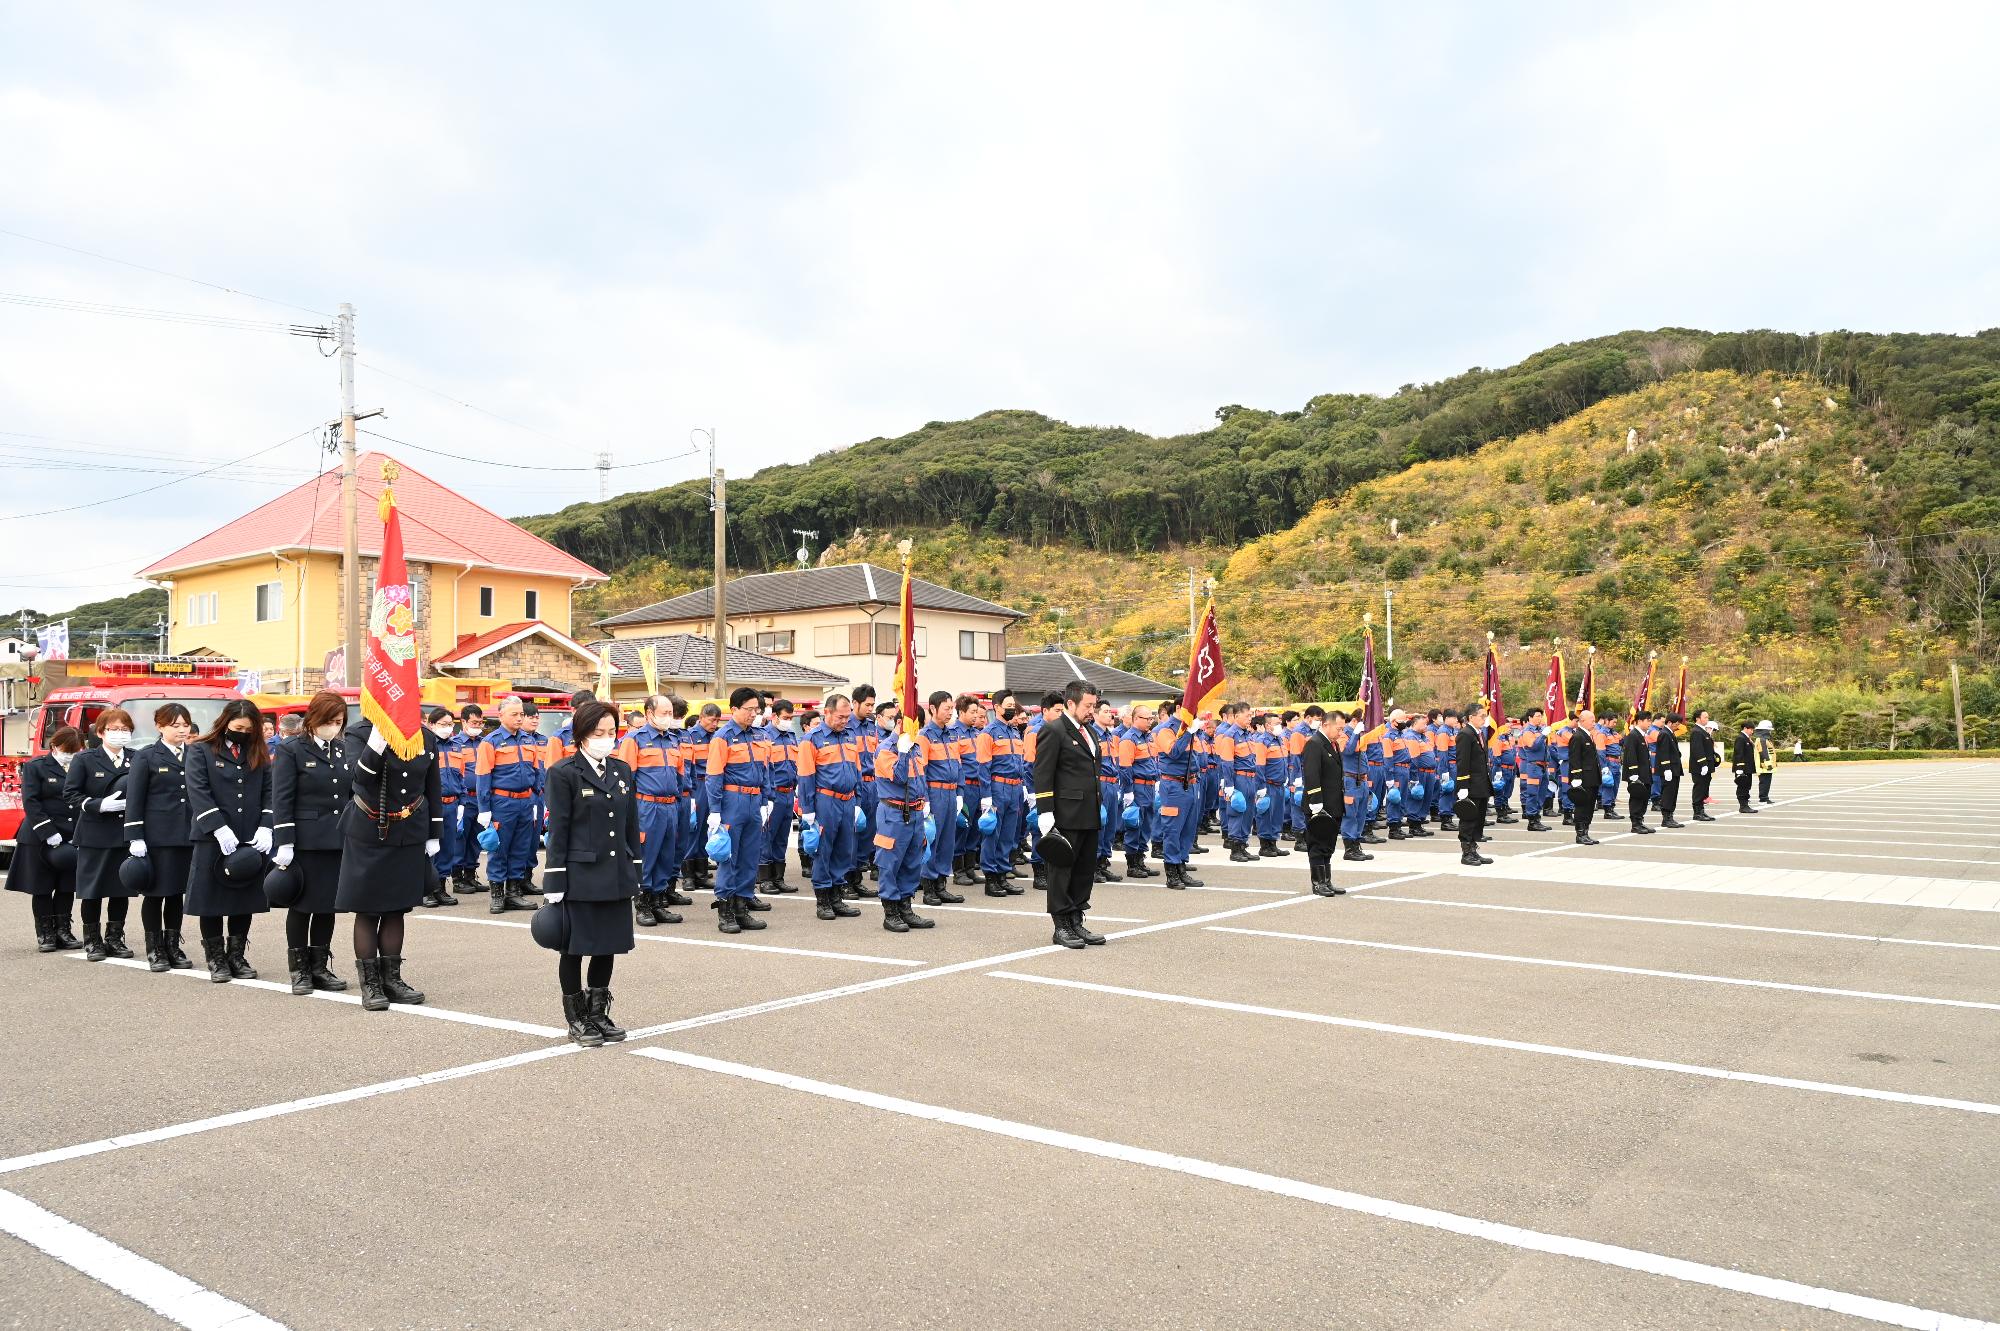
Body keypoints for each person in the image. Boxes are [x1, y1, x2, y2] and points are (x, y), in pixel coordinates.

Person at [543, 699, 640, 1046]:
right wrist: (554, 878)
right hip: (580, 874)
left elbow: (630, 824)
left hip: (615, 872)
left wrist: (636, 868)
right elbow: (559, 830)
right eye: (598, 732)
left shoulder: (622, 770)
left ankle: (598, 1013)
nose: (606, 738)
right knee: (574, 948)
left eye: (611, 732)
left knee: (607, 946)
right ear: (582, 734)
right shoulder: (563, 773)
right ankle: (577, 1019)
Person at [337, 712, 442, 1011]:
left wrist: (434, 831)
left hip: (408, 830)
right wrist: (377, 742)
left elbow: (431, 785)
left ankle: (392, 979)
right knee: (369, 908)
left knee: (398, 907)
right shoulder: (360, 733)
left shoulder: (424, 735)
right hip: (370, 830)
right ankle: (370, 984)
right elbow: (360, 777)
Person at [271, 691, 353, 994]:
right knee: (303, 905)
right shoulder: (292, 749)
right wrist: (285, 841)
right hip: (305, 840)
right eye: (330, 721)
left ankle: (320, 966)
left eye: (339, 722)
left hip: (337, 840)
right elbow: (282, 798)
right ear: (314, 719)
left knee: (327, 906)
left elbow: (347, 794)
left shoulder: (342, 749)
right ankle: (300, 969)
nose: (334, 727)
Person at [185, 700, 273, 981]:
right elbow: (198, 791)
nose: (242, 733)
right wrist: (218, 827)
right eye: (238, 728)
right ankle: (216, 958)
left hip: (249, 835)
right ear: (225, 723)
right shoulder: (201, 749)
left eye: (248, 729)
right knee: (210, 899)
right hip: (214, 836)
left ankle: (236, 955)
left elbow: (269, 791)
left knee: (242, 898)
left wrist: (267, 826)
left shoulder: (258, 751)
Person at [1033, 679, 1106, 949]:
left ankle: (1076, 919)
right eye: (1088, 705)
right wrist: (1045, 812)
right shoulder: (1054, 730)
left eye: (1094, 705)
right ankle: (1061, 925)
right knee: (1061, 870)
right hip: (1065, 813)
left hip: (1088, 811)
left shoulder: (1089, 732)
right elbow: (1042, 773)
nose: (1092, 710)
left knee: (1084, 869)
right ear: (1071, 703)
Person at [123, 703, 196, 972]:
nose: (181, 730)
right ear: (160, 727)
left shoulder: (196, 753)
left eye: (185, 725)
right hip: (156, 836)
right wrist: (135, 835)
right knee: (155, 894)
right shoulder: (147, 756)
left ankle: (173, 945)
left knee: (177, 894)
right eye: (174, 725)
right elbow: (135, 798)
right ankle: (155, 949)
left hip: (188, 834)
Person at [67, 709, 140, 962]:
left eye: (125, 729)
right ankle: (93, 940)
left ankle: (114, 938)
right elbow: (71, 793)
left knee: (121, 887)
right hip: (94, 833)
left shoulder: (137, 758)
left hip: (125, 833)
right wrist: (98, 804)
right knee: (93, 889)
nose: (120, 734)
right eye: (114, 729)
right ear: (100, 732)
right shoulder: (85, 759)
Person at [614, 693, 689, 929]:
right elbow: (625, 779)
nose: (668, 717)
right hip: (646, 806)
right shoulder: (634, 740)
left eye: (670, 713)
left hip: (670, 805)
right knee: (647, 856)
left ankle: (658, 901)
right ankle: (643, 904)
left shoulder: (673, 740)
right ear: (649, 714)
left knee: (667, 856)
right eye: (664, 713)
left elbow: (680, 775)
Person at [7, 725, 83, 952]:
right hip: (40, 836)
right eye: (66, 749)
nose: (70, 754)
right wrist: (48, 831)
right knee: (42, 886)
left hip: (70, 835)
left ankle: (63, 931)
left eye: (74, 750)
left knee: (66, 885)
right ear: (54, 746)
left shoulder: (80, 766)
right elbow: (31, 801)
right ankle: (45, 934)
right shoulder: (36, 767)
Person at [706, 686, 773, 934]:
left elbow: (765, 771)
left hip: (754, 801)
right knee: (729, 857)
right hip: (732, 801)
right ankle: (725, 911)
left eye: (757, 709)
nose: (754, 714)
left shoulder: (759, 735)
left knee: (749, 857)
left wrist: (767, 800)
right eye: (749, 709)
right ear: (734, 709)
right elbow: (714, 776)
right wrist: (715, 810)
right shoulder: (722, 737)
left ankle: (742, 907)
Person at [795, 693, 864, 920]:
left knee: (844, 850)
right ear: (827, 712)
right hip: (825, 801)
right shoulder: (811, 739)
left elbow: (857, 771)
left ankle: (837, 897)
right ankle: (823, 900)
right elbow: (805, 775)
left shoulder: (850, 736)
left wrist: (858, 802)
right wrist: (807, 810)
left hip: (848, 800)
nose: (845, 721)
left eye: (847, 717)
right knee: (823, 851)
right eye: (840, 717)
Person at [870, 704, 936, 933]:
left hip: (915, 812)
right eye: (915, 725)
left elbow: (920, 779)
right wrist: (904, 751)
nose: (919, 729)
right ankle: (891, 912)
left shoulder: (916, 747)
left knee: (911, 862)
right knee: (890, 863)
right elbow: (898, 777)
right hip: (894, 814)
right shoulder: (887, 749)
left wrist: (926, 803)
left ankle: (906, 908)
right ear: (901, 724)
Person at [475, 698, 541, 913]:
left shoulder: (528, 740)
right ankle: (497, 894)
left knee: (521, 848)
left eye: (521, 714)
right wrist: (484, 809)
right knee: (499, 849)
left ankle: (514, 893)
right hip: (502, 802)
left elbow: (536, 771)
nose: (520, 718)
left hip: (526, 800)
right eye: (514, 714)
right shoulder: (490, 742)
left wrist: (537, 797)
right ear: (501, 716)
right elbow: (483, 776)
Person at [973, 692, 1028, 896]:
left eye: (1013, 705)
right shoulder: (988, 733)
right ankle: (991, 878)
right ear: (997, 707)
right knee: (992, 833)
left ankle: (1003, 875)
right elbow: (983, 767)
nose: (1012, 709)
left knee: (1008, 834)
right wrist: (986, 796)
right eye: (1008, 705)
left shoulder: (1014, 732)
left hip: (1015, 787)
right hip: (997, 787)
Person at [917, 691, 967, 907]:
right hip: (935, 792)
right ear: (933, 709)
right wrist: (925, 799)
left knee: (948, 839)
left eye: (952, 708)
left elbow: (959, 765)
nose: (950, 712)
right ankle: (929, 888)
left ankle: (941, 885)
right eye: (946, 708)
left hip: (951, 792)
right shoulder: (924, 736)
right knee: (933, 839)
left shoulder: (953, 734)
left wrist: (960, 793)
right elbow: (921, 770)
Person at [1149, 701, 1205, 890]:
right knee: (1173, 830)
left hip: (1191, 783)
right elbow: (1173, 752)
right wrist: (1188, 733)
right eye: (1192, 710)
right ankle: (1171, 872)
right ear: (1180, 708)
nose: (1194, 714)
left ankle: (1181, 867)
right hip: (1174, 785)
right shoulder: (1166, 729)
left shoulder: (1191, 728)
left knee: (1188, 829)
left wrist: (1192, 731)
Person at [1299, 709, 1348, 897]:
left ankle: (1326, 881)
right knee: (1317, 844)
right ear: (1326, 724)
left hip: (1333, 803)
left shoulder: (1331, 744)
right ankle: (1318, 883)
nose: (1341, 732)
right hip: (1319, 804)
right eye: (1339, 728)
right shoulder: (1314, 744)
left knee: (1328, 844)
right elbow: (1312, 775)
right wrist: (1316, 802)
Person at [758, 699, 801, 894]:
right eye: (785, 717)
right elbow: (763, 768)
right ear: (774, 716)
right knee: (767, 836)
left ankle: (778, 877)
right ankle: (765, 878)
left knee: (782, 837)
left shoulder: (791, 736)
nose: (788, 721)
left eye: (791, 718)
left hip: (788, 793)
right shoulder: (763, 736)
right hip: (772, 794)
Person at [1115, 703, 1161, 878]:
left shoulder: (1148, 737)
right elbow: (1125, 768)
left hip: (1149, 786)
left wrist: (1157, 781)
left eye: (1151, 718)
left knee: (1147, 824)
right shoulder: (1128, 739)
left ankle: (1141, 860)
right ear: (1135, 719)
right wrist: (1128, 791)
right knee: (1135, 824)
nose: (1150, 721)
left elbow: (1154, 761)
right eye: (1147, 718)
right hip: (1137, 787)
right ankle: (1132, 864)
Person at [949, 695, 985, 888]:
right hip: (966, 786)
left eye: (976, 712)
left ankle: (970, 867)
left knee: (976, 828)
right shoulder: (954, 733)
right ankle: (959, 870)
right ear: (961, 712)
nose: (975, 716)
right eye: (972, 712)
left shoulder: (977, 733)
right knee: (962, 827)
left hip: (979, 785)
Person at [1453, 702, 1494, 866]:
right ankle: (1466, 853)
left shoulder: (1478, 733)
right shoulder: (1465, 734)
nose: (1485, 719)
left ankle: (1474, 850)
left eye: (1485, 716)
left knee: (1479, 818)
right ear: (1471, 717)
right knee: (1468, 819)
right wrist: (1463, 786)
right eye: (1482, 716)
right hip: (1470, 785)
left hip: (1481, 784)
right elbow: (1463, 761)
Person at [1338, 711, 1373, 861]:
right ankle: (1349, 849)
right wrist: (1355, 733)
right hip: (1350, 781)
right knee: (1350, 814)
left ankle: (1356, 845)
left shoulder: (1357, 735)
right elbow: (1347, 751)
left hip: (1362, 780)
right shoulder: (1344, 735)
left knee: (1361, 814)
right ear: (1353, 721)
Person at [1566, 709, 1603, 845]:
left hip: (1591, 778)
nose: (1594, 723)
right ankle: (1580, 834)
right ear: (1582, 721)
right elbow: (1574, 758)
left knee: (1589, 807)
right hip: (1583, 778)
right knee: (1582, 807)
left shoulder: (1587, 735)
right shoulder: (1577, 736)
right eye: (1592, 720)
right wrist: (1576, 777)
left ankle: (1586, 832)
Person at [1516, 708, 1552, 832]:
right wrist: (1543, 736)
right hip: (1534, 766)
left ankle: (1537, 818)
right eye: (1537, 716)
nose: (1539, 718)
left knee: (1542, 793)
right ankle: (1532, 821)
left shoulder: (1539, 730)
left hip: (1543, 766)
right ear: (1530, 718)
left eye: (1540, 716)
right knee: (1532, 793)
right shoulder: (1527, 731)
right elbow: (1533, 746)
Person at [1621, 712, 1657, 834]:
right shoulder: (1633, 735)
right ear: (1639, 721)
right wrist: (1633, 773)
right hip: (1637, 774)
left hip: (1644, 773)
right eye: (1647, 720)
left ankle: (1640, 821)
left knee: (1644, 798)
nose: (1649, 723)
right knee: (1637, 798)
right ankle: (1635, 824)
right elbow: (1631, 755)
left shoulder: (1641, 735)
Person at [1655, 713, 1686, 828]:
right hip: (1669, 770)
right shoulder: (1664, 734)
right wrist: (1667, 769)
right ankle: (1666, 818)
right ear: (1669, 723)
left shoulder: (1670, 733)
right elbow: (1663, 753)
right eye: (1676, 724)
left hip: (1674, 769)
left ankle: (1670, 816)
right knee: (1668, 794)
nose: (1677, 726)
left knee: (1673, 793)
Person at [1687, 710, 1719, 821]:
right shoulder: (1696, 731)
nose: (1707, 719)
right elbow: (1697, 749)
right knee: (1699, 789)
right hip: (1699, 767)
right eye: (1705, 717)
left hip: (1706, 766)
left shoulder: (1702, 731)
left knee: (1704, 789)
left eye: (1707, 717)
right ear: (1698, 718)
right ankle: (1697, 812)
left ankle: (1701, 811)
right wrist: (1703, 764)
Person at [1730, 719, 1760, 813]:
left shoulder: (1746, 738)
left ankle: (1745, 804)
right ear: (1745, 728)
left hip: (1747, 768)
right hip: (1742, 768)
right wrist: (1739, 769)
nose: (1752, 731)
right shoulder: (1741, 738)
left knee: (1747, 786)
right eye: (1751, 729)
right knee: (1743, 786)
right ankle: (1743, 806)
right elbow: (1739, 754)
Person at [1755, 720, 1777, 802]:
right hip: (1764, 766)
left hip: (1767, 765)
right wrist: (1768, 764)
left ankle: (1765, 797)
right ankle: (1763, 798)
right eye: (1769, 730)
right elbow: (1763, 752)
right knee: (1764, 782)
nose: (1770, 732)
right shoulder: (1762, 740)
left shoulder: (1764, 739)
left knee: (1767, 782)